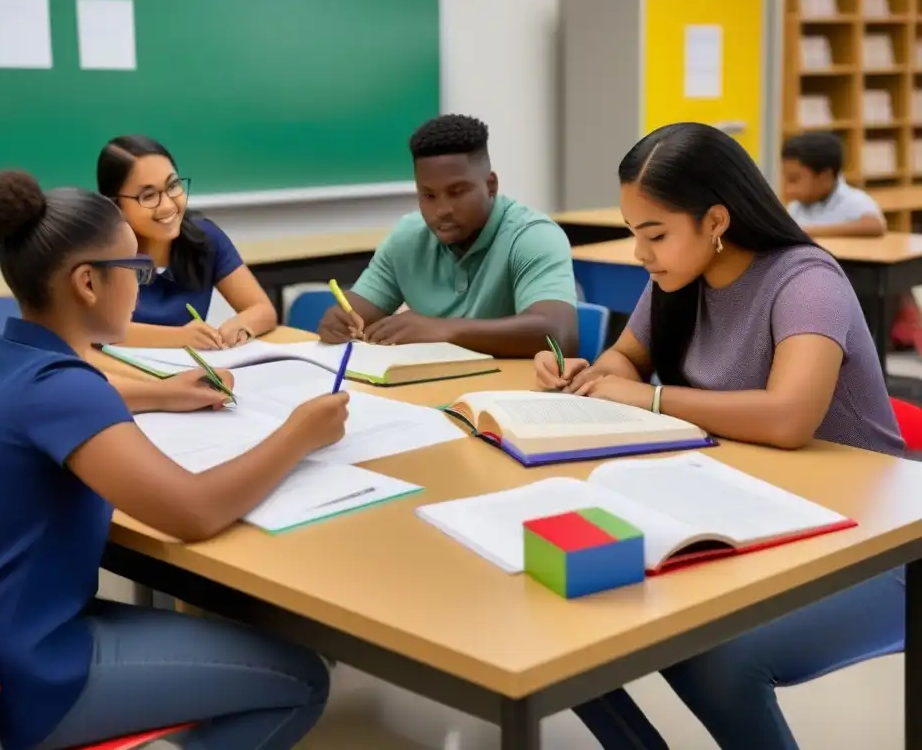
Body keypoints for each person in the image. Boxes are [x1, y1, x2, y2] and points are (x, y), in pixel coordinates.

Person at [0, 170, 350, 750]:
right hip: (30, 676)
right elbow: (191, 511)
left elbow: (72, 399)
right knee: (300, 678)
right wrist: (299, 434)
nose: (144, 286)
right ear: (89, 283)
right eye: (136, 270)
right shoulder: (64, 389)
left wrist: (169, 392)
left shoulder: (4, 358)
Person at [533, 122, 905, 750]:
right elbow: (625, 360)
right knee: (582, 610)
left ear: (715, 221)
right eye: (634, 235)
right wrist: (594, 375)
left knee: (709, 656)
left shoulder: (805, 280)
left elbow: (789, 419)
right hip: (752, 513)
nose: (642, 255)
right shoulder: (676, 280)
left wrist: (647, 396)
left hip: (875, 543)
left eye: (656, 235)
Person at [317, 114, 578, 358]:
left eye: (457, 192)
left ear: (491, 185)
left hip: (508, 396)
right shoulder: (406, 238)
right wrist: (338, 322)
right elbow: (357, 311)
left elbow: (559, 334)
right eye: (428, 195)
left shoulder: (533, 236)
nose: (441, 210)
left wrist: (444, 330)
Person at [96, 135, 277, 350]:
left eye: (173, 186)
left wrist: (240, 325)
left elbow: (263, 309)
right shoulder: (100, 253)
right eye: (148, 195)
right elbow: (98, 330)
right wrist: (181, 337)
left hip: (194, 373)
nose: (167, 206)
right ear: (115, 205)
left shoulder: (205, 239)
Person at [782, 131, 886, 238]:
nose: (787, 189)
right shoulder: (795, 207)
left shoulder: (854, 201)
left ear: (825, 178)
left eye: (793, 180)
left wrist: (807, 232)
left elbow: (875, 226)